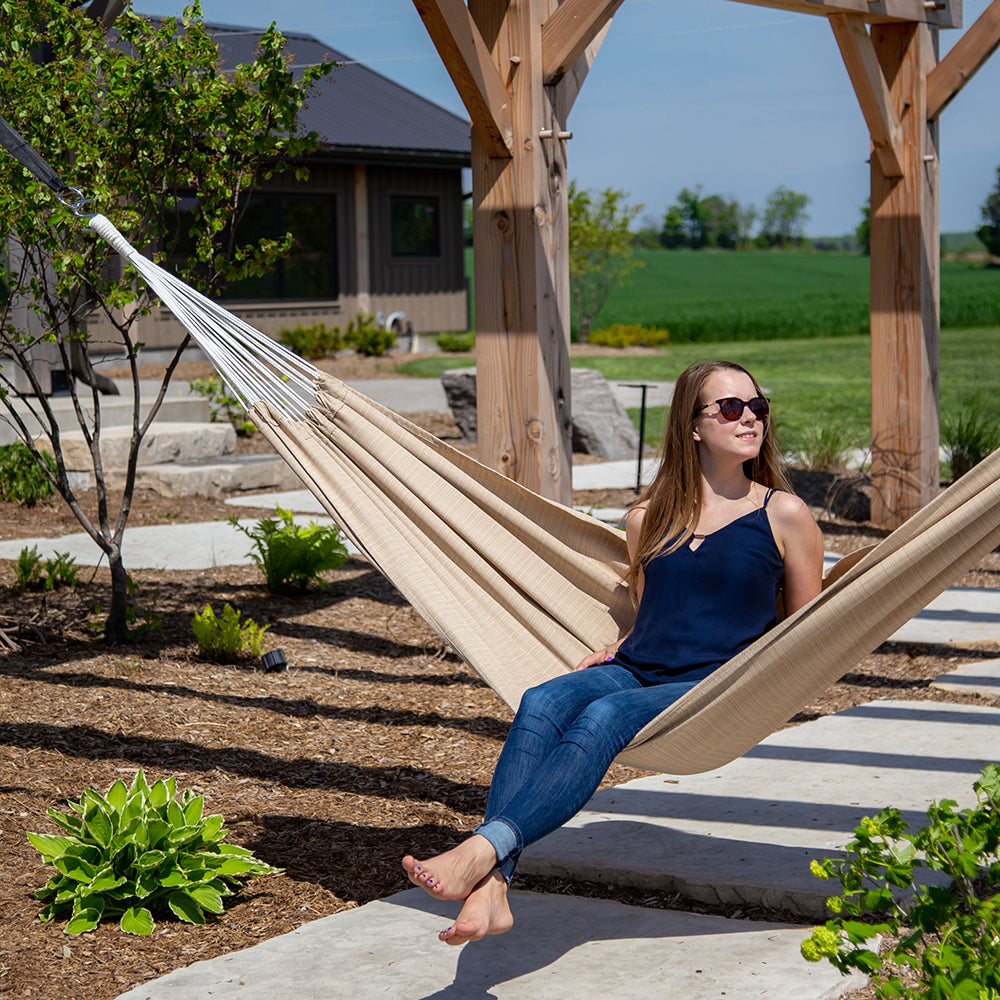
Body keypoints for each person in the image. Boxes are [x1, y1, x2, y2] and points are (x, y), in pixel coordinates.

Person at [402, 360, 824, 946]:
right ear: (694, 426)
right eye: (731, 407)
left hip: (716, 686)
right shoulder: (646, 519)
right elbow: (655, 605)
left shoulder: (783, 514)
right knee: (542, 698)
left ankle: (480, 853)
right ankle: (493, 886)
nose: (749, 416)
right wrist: (622, 641)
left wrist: (767, 684)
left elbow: (809, 629)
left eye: (758, 406)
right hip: (637, 668)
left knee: (600, 718)